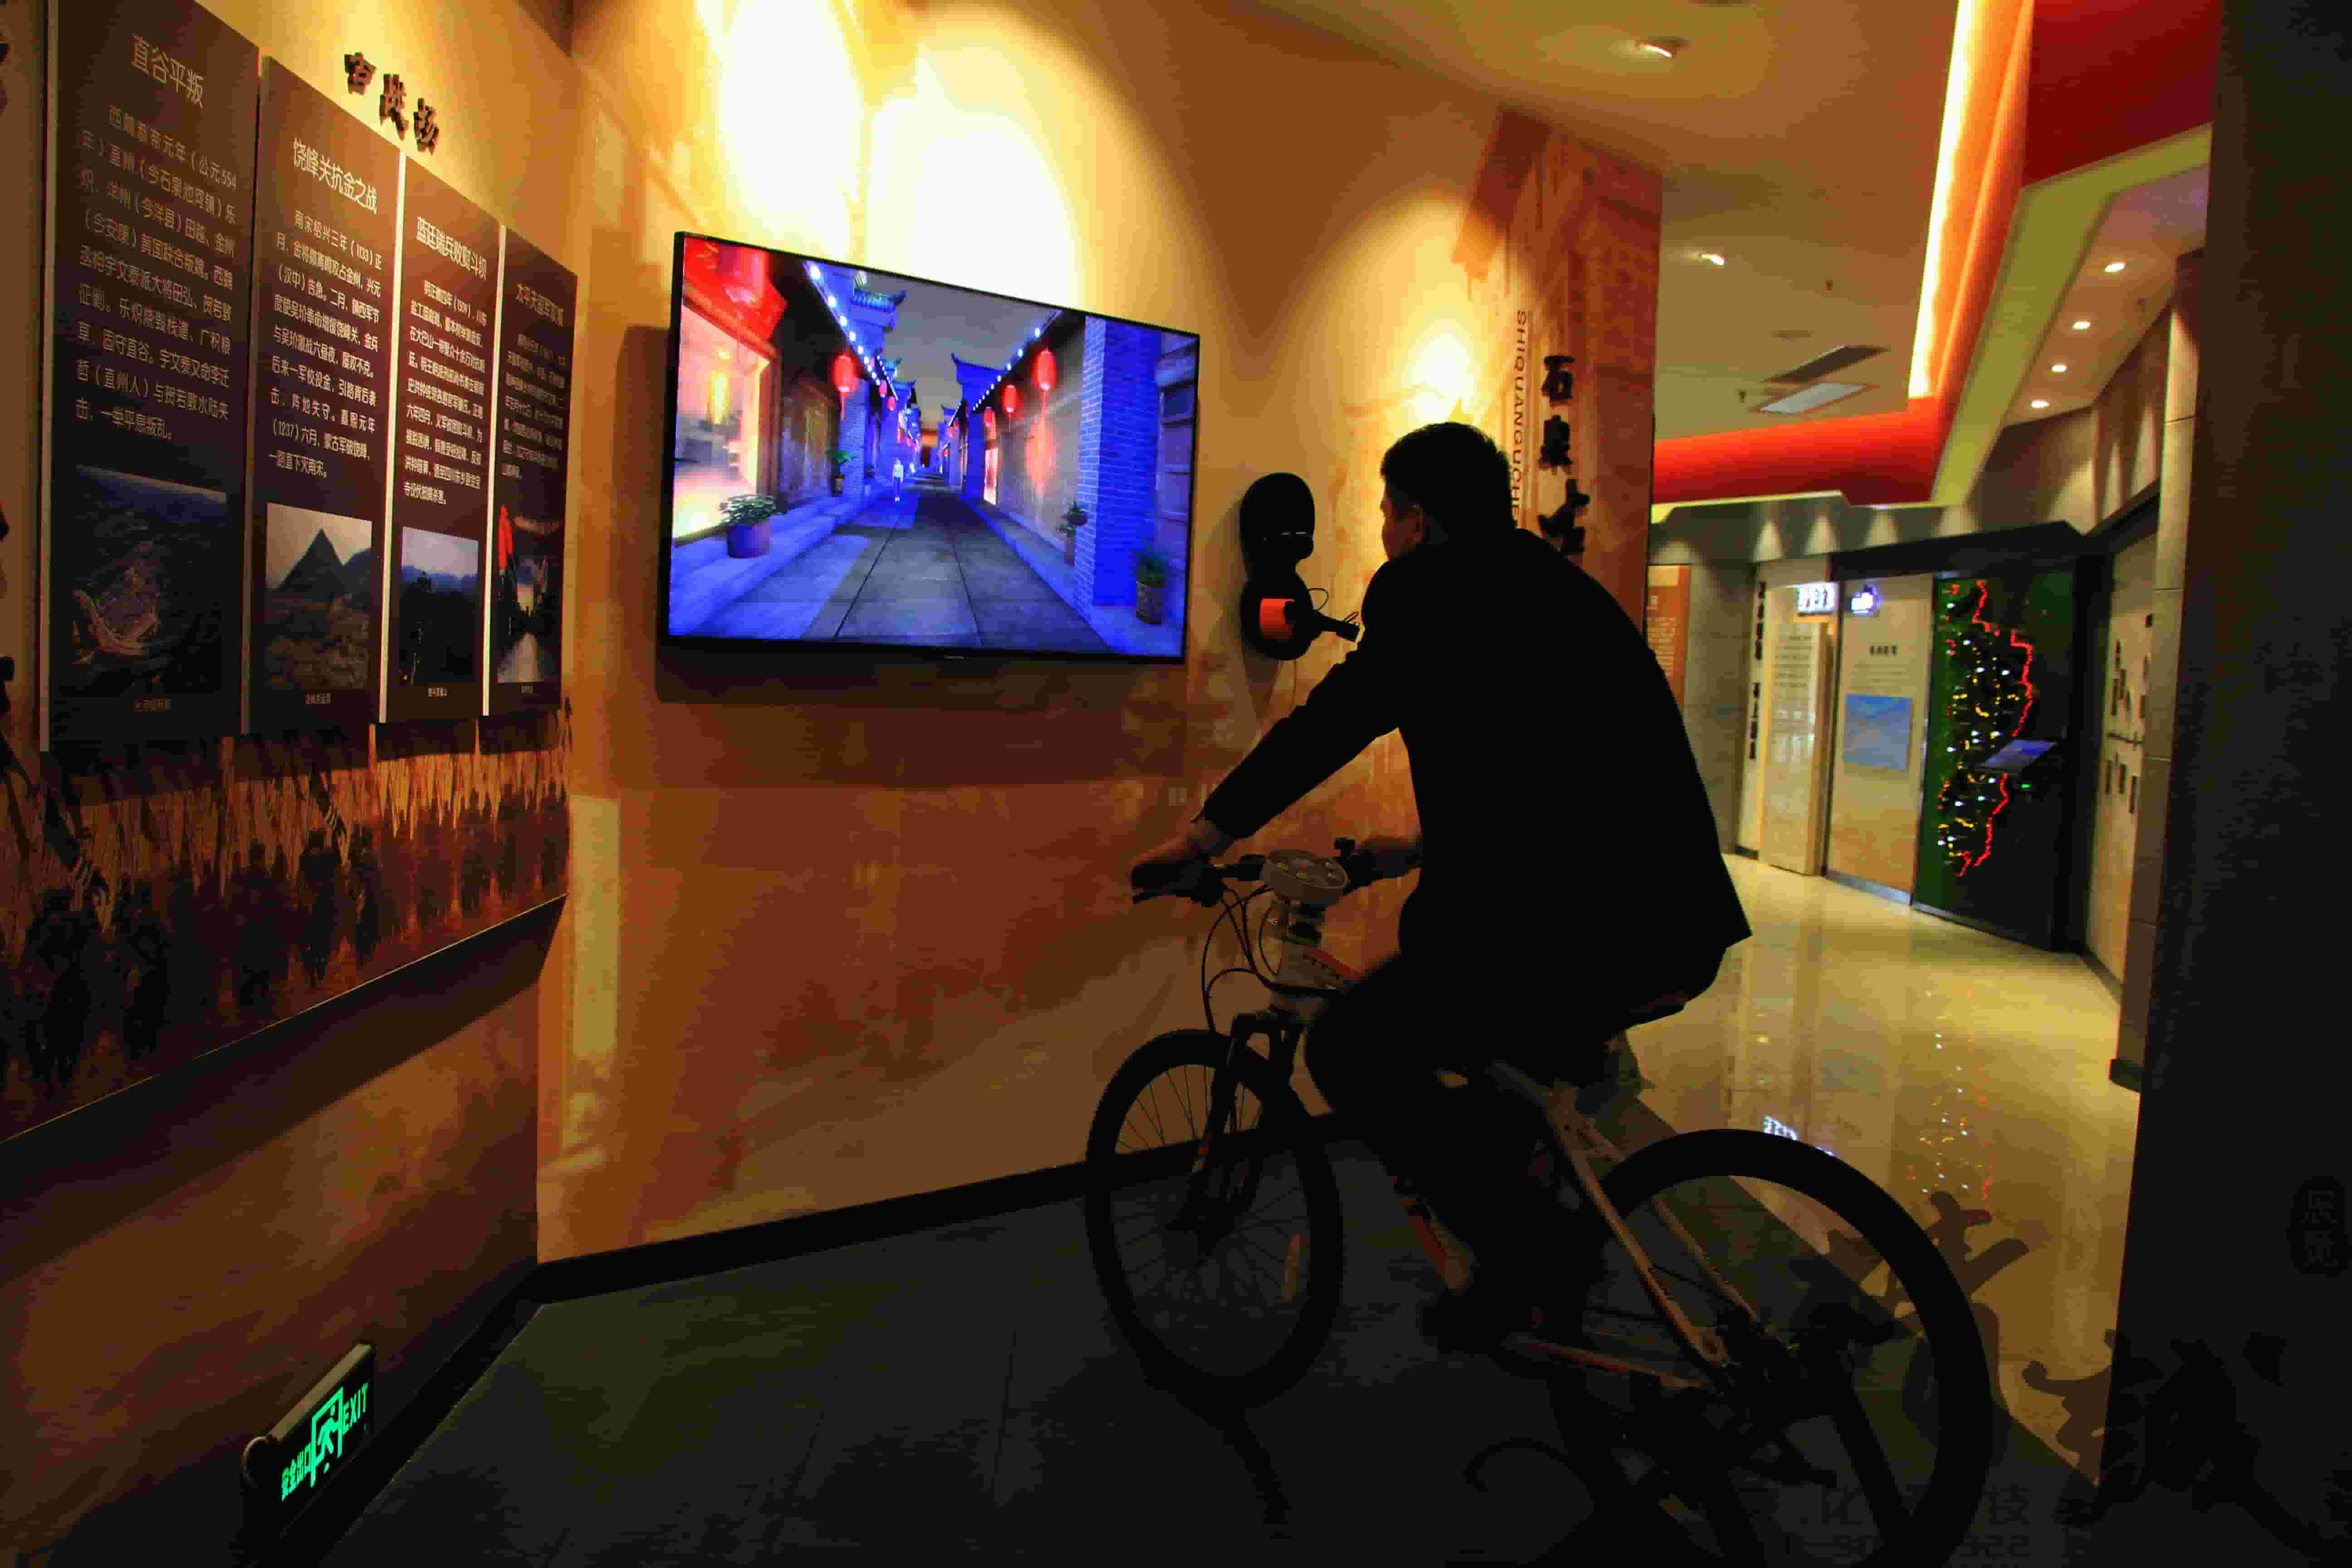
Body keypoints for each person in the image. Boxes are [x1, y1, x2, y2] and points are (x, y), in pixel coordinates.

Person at [1130, 421, 1750, 1350]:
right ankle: (1531, 1269)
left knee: (1351, 1047)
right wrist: (1421, 848)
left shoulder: (1425, 590)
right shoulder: (1552, 586)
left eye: (1388, 512)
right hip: (1673, 920)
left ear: (1418, 519)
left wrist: (1207, 832)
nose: (1384, 531)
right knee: (1492, 1084)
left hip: (1568, 933)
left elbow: (1334, 720)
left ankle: (1538, 1259)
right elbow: (1553, 768)